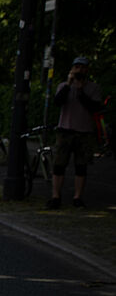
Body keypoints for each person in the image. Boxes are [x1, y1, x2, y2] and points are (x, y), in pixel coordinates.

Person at [48, 56, 103, 209]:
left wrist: (80, 90)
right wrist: (69, 84)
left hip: (84, 132)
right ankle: (55, 196)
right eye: (76, 67)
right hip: (65, 130)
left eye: (82, 67)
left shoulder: (93, 88)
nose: (79, 70)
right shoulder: (64, 86)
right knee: (59, 164)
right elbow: (57, 102)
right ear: (72, 69)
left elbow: (94, 108)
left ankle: (78, 197)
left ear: (87, 70)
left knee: (81, 166)